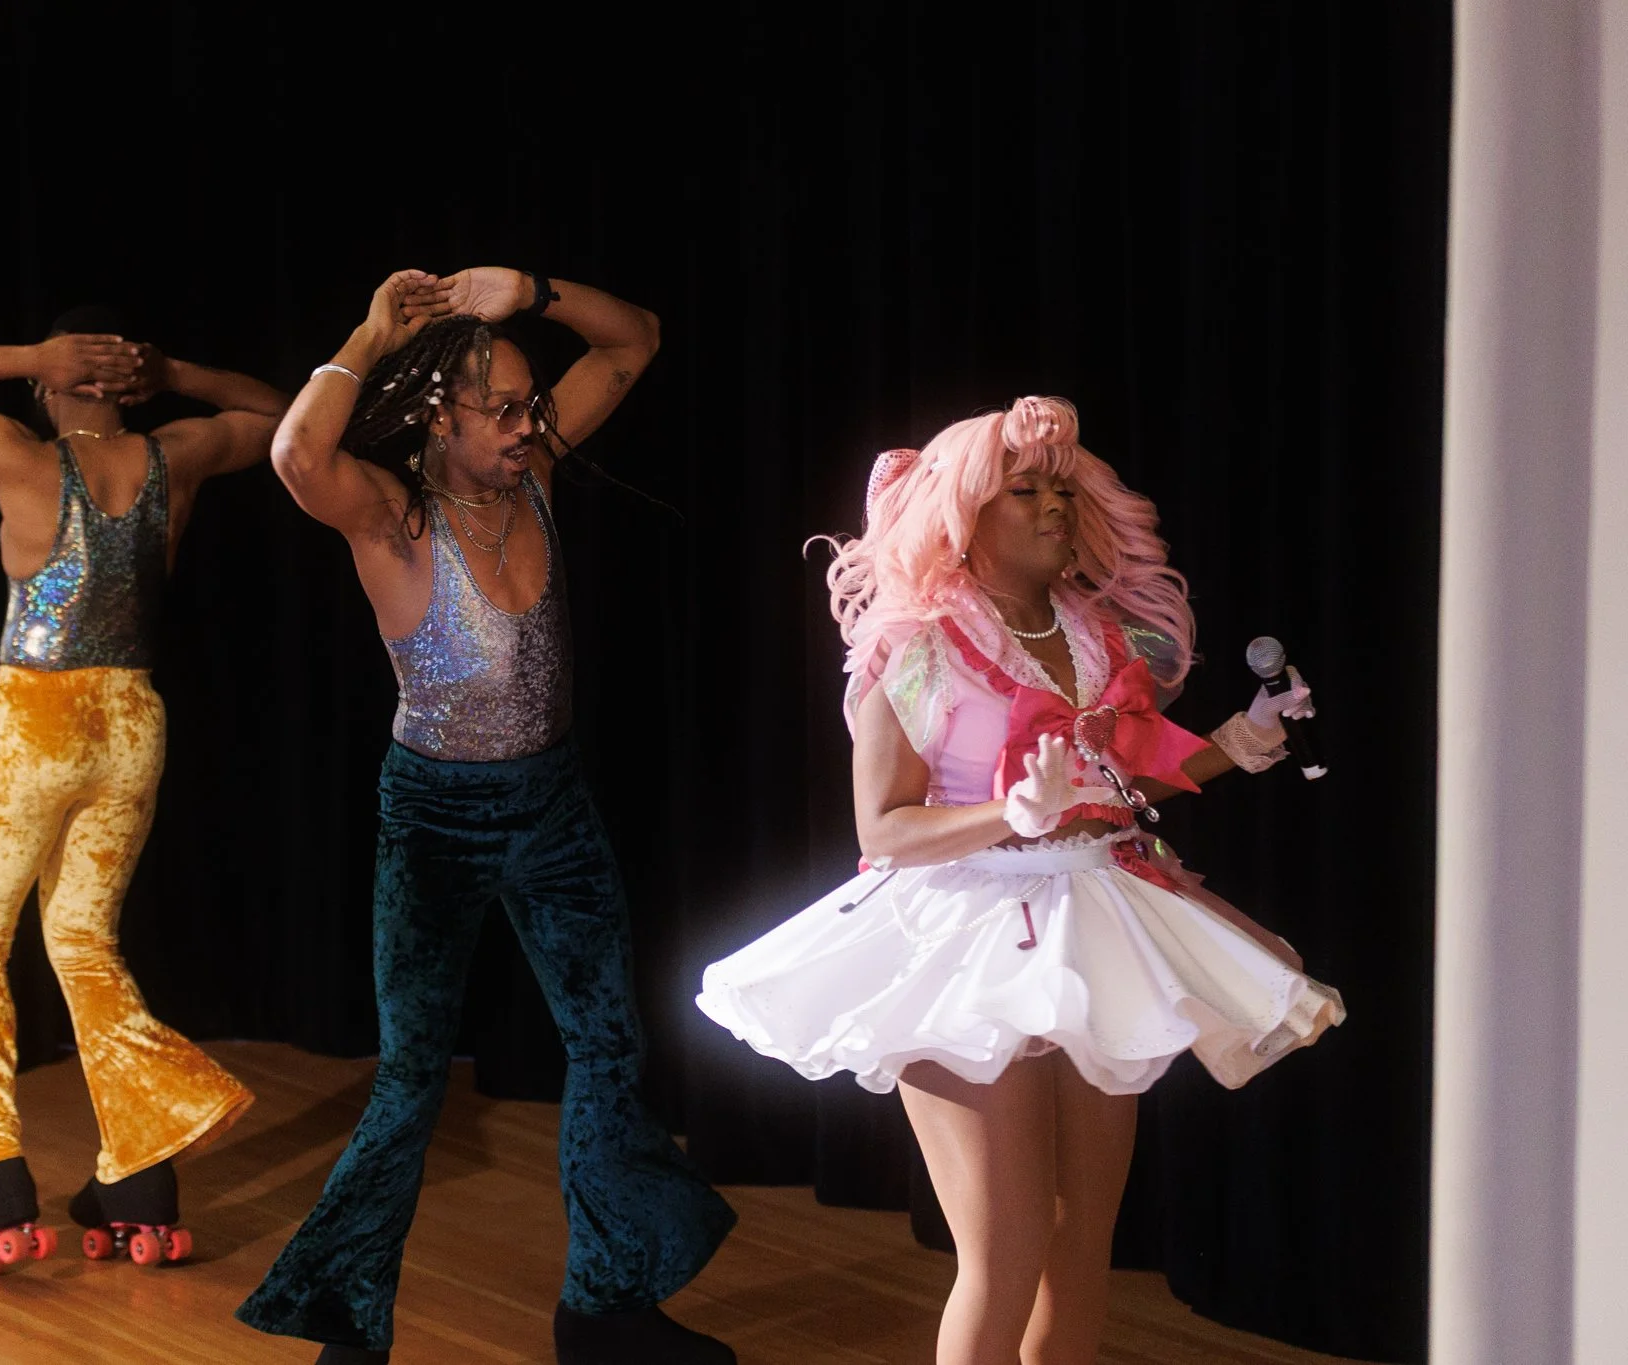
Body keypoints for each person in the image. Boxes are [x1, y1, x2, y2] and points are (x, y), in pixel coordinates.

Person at [696, 397, 1345, 1365]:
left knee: (1081, 1247)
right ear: (963, 516)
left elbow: (1116, 778)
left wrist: (1226, 747)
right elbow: (882, 827)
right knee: (1005, 1250)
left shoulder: (1090, 634)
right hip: (961, 936)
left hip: (1088, 918)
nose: (1050, 508)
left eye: (1059, 488)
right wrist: (1011, 815)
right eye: (1023, 491)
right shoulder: (915, 647)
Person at [236, 269, 736, 1365]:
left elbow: (634, 339)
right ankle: (346, 1332)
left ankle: (604, 1310)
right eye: (501, 409)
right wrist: (367, 332)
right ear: (437, 414)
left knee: (608, 1049)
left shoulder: (536, 473)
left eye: (529, 406)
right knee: (412, 1077)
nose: (526, 425)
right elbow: (292, 457)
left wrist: (535, 291)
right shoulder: (389, 510)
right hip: (432, 820)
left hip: (550, 805)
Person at [0, 307, 285, 1280]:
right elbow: (276, 411)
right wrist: (175, 369)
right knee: (84, 947)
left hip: (36, 724)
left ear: (55, 382)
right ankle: (140, 1179)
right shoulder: (173, 457)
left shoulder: (23, 457)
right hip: (132, 725)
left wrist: (27, 358)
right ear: (126, 383)